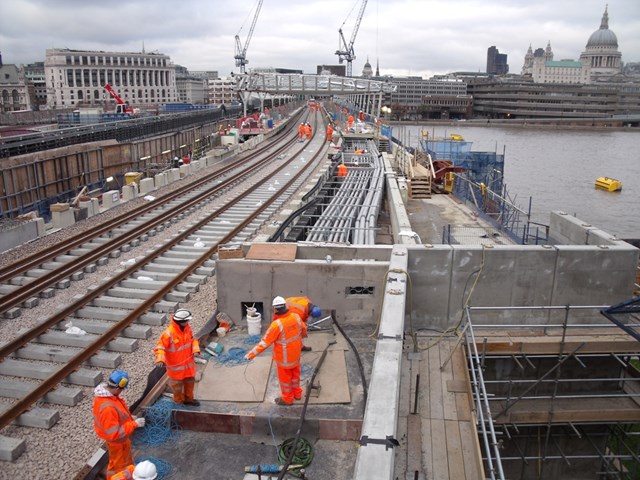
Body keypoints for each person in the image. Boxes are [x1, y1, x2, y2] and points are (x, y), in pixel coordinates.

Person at [244, 296, 307, 405]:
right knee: (295, 377)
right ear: (285, 306)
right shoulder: (296, 317)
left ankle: (287, 399)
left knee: (285, 381)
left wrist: (250, 355)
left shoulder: (276, 325)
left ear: (275, 309)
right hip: (296, 356)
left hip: (284, 360)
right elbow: (304, 330)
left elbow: (264, 343)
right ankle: (297, 394)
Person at [93, 370, 146, 480]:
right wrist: (134, 424)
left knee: (124, 464)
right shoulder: (108, 408)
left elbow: (119, 416)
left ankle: (129, 474)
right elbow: (115, 433)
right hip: (117, 443)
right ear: (118, 388)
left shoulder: (109, 397)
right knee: (118, 467)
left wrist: (131, 419)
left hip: (122, 442)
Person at [154, 308, 201, 406]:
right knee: (177, 388)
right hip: (176, 370)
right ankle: (178, 403)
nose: (188, 322)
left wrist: (196, 350)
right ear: (181, 322)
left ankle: (189, 400)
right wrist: (160, 359)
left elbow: (193, 340)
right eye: (187, 320)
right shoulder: (168, 333)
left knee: (189, 384)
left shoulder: (187, 329)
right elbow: (160, 347)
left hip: (188, 367)